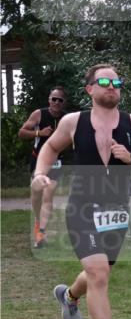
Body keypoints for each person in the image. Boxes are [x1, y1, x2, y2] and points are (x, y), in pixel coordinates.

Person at [31, 64, 131, 319]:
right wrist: (39, 175)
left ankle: (69, 295)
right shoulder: (74, 122)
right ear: (90, 88)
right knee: (98, 272)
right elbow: (49, 147)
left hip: (117, 211)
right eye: (104, 81)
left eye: (117, 82)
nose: (112, 86)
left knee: (96, 276)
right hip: (82, 209)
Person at [18, 87, 69, 247]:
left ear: (63, 103)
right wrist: (39, 133)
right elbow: (21, 132)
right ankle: (38, 222)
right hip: (38, 161)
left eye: (59, 100)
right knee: (37, 196)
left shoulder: (67, 119)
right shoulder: (39, 114)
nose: (56, 102)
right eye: (54, 99)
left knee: (48, 196)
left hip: (56, 163)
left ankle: (41, 233)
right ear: (49, 100)